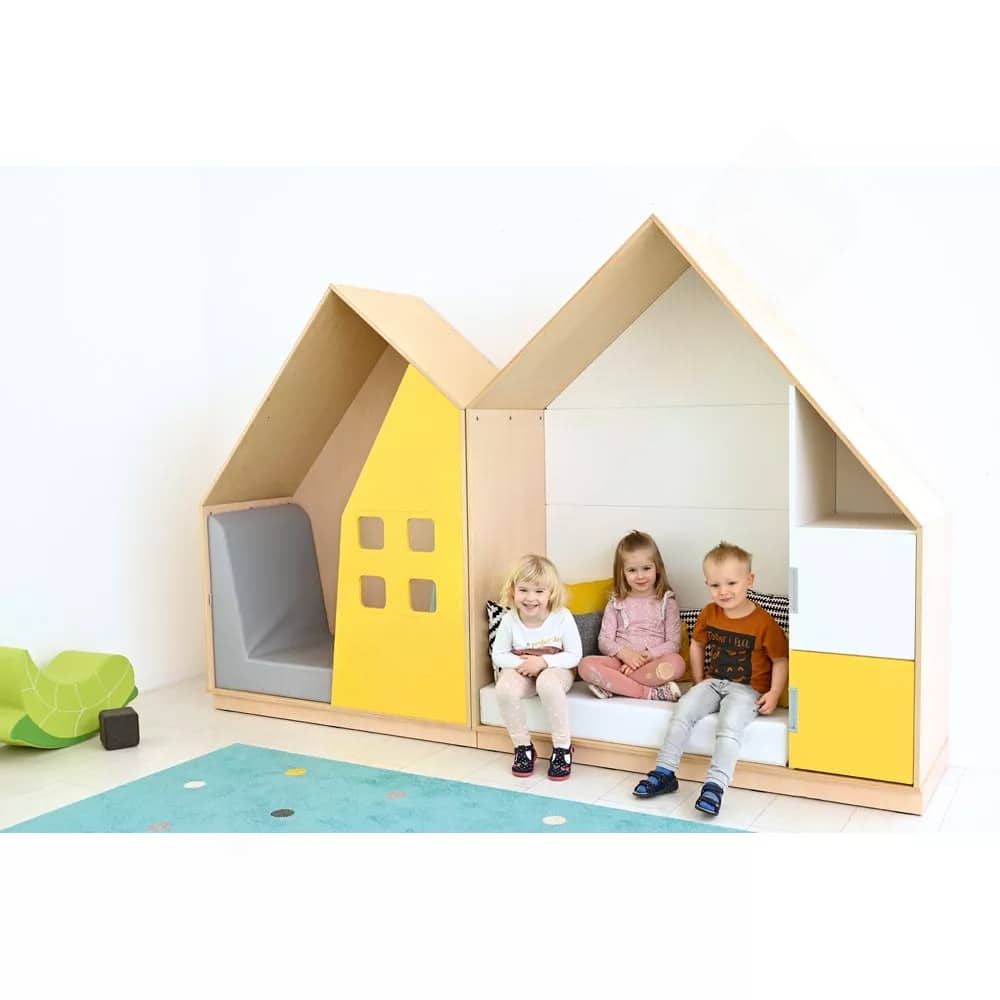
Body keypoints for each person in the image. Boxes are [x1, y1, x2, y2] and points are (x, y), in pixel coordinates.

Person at [633, 541, 789, 817]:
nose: (723, 591)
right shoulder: (710, 612)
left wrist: (775, 693)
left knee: (729, 726)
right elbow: (696, 644)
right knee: (683, 711)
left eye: (731, 583)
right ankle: (665, 772)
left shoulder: (764, 622)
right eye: (715, 585)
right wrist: (698, 681)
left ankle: (715, 786)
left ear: (749, 580)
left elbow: (780, 659)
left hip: (747, 690)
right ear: (707, 584)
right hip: (713, 683)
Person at [492, 554, 583, 780]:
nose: (530, 598)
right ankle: (523, 747)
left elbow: (574, 655)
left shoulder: (562, 616)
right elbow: (499, 655)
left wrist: (543, 662)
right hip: (524, 671)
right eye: (523, 590)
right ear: (513, 591)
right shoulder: (510, 619)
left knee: (547, 682)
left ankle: (562, 748)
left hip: (556, 671)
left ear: (551, 593)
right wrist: (525, 664)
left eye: (539, 591)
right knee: (504, 688)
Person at [578, 530, 686, 701]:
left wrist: (646, 657)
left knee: (677, 663)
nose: (640, 576)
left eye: (646, 568)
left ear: (657, 567)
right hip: (619, 663)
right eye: (632, 570)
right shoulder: (615, 603)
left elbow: (673, 644)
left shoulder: (667, 602)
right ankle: (647, 692)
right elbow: (604, 641)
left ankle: (615, 685)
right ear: (622, 572)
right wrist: (626, 655)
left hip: (652, 664)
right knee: (585, 665)